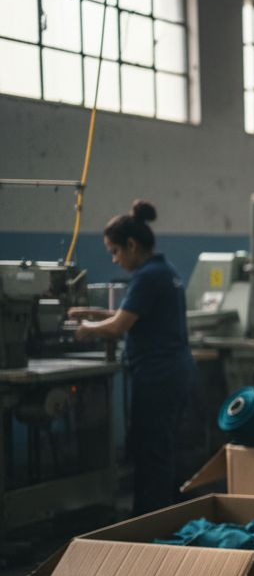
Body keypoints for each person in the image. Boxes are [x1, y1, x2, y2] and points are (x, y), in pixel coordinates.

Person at [70, 200, 193, 515]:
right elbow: (132, 314)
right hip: (173, 373)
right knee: (159, 449)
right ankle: (159, 515)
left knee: (151, 451)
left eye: (115, 251)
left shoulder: (147, 276)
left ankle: (150, 521)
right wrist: (93, 312)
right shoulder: (165, 270)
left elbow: (119, 326)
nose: (114, 258)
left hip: (157, 376)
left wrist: (87, 327)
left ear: (132, 244)